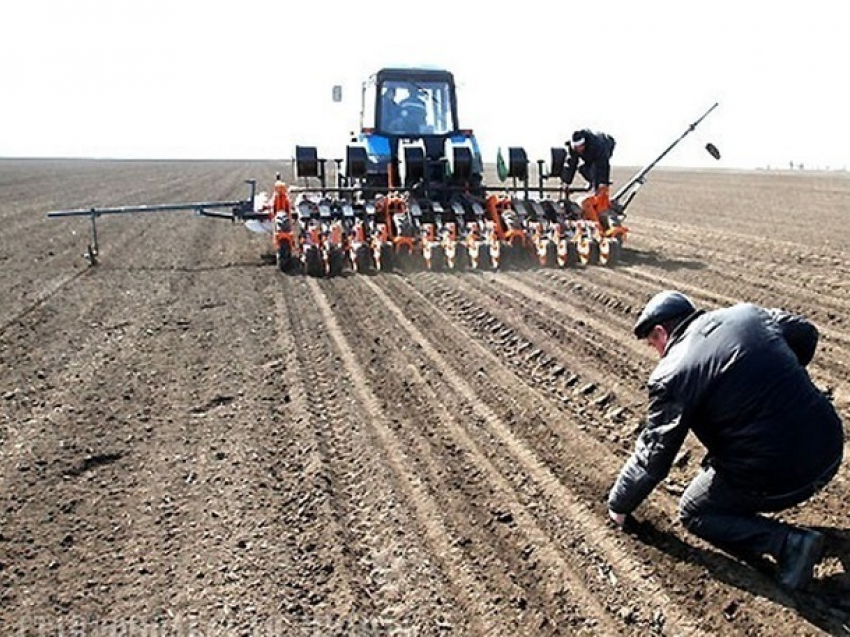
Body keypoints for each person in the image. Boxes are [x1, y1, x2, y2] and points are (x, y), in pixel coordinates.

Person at [607, 290, 845, 591]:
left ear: (660, 331)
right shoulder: (749, 313)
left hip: (786, 475)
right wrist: (776, 384)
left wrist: (619, 505)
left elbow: (653, 456)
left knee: (695, 510)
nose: (656, 352)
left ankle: (789, 545)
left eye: (653, 343)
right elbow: (805, 333)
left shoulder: (672, 372)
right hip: (830, 445)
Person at [563, 129, 616, 226]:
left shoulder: (597, 146)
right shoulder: (573, 149)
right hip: (590, 158)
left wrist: (602, 184)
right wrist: (566, 182)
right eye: (576, 148)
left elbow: (603, 165)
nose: (579, 149)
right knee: (582, 169)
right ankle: (593, 184)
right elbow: (571, 164)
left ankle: (598, 192)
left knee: (595, 170)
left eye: (580, 147)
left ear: (584, 144)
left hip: (607, 145)